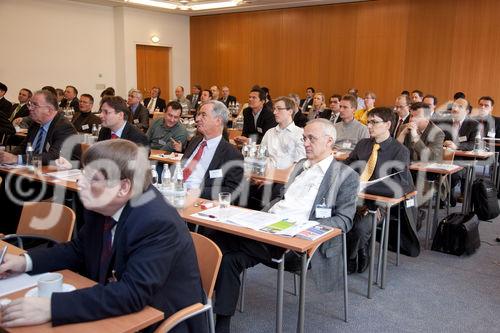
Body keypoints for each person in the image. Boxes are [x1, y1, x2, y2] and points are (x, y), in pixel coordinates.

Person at [0, 139, 207, 332]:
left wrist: (52, 307)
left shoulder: (156, 221)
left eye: (93, 178)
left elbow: (132, 293)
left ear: (123, 187)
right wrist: (24, 261)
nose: (81, 183)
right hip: (118, 299)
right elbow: (79, 250)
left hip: (161, 319)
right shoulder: (101, 206)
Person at [211, 118, 359, 333]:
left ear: (329, 141)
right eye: (304, 138)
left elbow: (344, 220)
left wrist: (304, 229)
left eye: (311, 139)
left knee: (219, 240)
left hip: (297, 243)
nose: (306, 143)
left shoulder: (346, 176)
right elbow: (283, 199)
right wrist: (264, 216)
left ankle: (196, 301)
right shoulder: (300, 166)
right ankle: (221, 324)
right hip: (270, 230)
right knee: (227, 256)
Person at [345, 107, 418, 274]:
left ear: (387, 125)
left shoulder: (399, 151)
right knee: (335, 217)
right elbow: (348, 166)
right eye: (368, 122)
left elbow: (399, 185)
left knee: (361, 226)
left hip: (380, 202)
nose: (369, 126)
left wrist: (375, 202)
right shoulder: (363, 144)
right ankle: (348, 251)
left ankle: (356, 254)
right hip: (354, 197)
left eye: (374, 122)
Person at [182, 100, 244, 202]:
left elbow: (233, 190)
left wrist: (197, 192)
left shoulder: (232, 154)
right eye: (198, 115)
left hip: (199, 202)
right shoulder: (194, 141)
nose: (197, 119)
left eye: (203, 115)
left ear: (218, 121)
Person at [0, 89, 79, 166]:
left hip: (57, 173)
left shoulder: (64, 127)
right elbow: (23, 147)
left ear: (48, 110)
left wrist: (17, 159)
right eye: (30, 104)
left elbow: (53, 156)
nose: (30, 108)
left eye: (35, 105)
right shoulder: (36, 123)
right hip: (34, 169)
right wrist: (6, 156)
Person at [260, 96, 306, 169]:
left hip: (288, 177)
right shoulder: (269, 132)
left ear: (290, 111)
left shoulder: (300, 133)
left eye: (279, 109)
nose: (274, 112)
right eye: (274, 109)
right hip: (268, 175)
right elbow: (261, 156)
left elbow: (300, 162)